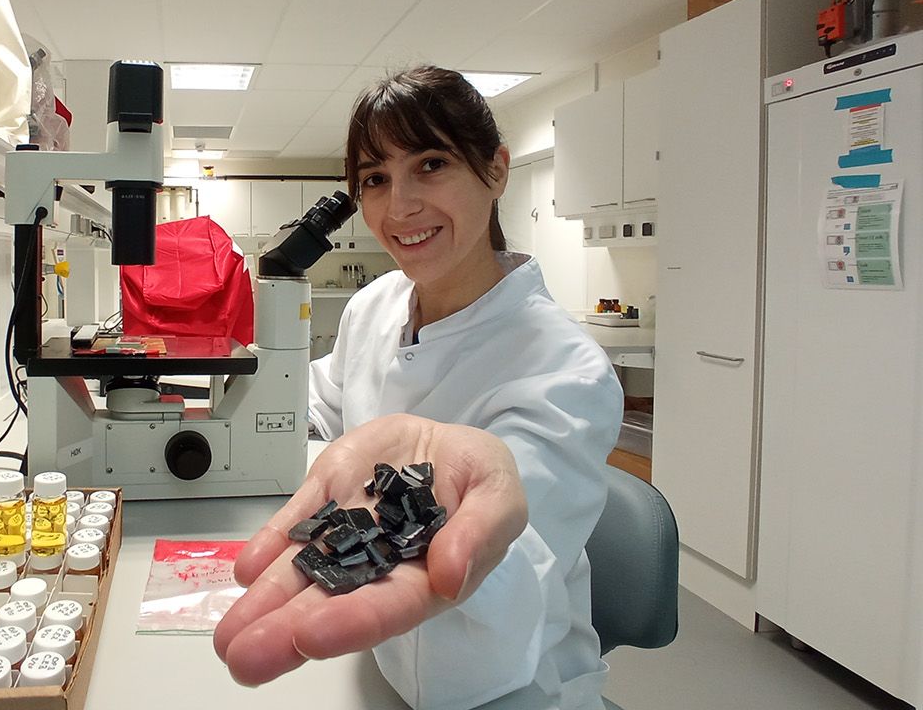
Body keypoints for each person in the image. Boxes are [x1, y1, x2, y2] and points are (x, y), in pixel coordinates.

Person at [213, 66, 623, 709]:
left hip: (510, 682)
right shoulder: (372, 306)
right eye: (375, 179)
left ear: (495, 170)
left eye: (430, 164)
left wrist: (455, 511)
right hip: (376, 669)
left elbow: (518, 554)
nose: (399, 206)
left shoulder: (566, 369)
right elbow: (319, 405)